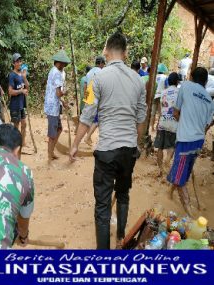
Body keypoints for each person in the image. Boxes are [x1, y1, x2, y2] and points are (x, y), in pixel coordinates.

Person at [69, 32, 146, 249]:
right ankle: (121, 236)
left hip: (107, 151)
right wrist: (137, 144)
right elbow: (141, 118)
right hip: (128, 150)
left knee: (102, 206)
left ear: (106, 51)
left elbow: (87, 115)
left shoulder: (97, 78)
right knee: (123, 194)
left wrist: (75, 144)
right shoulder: (138, 80)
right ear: (125, 52)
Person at [167, 67, 214, 216]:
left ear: (191, 77)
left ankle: (190, 214)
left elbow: (175, 112)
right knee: (183, 172)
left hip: (186, 141)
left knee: (180, 179)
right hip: (198, 142)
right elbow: (208, 124)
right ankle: (169, 192)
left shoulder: (186, 86)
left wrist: (184, 123)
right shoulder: (209, 99)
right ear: (206, 81)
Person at [44, 50, 71, 162]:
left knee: (59, 129)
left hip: (54, 105)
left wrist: (63, 102)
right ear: (59, 63)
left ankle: (51, 152)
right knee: (52, 134)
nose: (64, 66)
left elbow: (56, 93)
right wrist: (65, 92)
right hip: (52, 108)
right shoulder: (57, 73)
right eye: (64, 64)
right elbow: (58, 93)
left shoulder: (53, 70)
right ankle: (49, 156)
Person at [154, 72, 179, 176]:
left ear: (168, 81)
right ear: (177, 82)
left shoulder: (163, 92)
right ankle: (167, 163)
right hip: (173, 124)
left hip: (162, 122)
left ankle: (160, 170)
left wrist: (158, 121)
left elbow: (161, 109)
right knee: (171, 147)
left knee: (160, 147)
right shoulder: (179, 92)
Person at [83, 56, 106, 145]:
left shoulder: (89, 72)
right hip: (96, 98)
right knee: (97, 119)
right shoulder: (101, 72)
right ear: (101, 63)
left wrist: (85, 99)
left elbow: (87, 86)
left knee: (88, 119)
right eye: (103, 64)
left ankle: (88, 138)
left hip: (88, 98)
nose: (103, 66)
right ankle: (88, 137)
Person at [8, 53, 29, 146]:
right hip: (15, 105)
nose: (19, 63)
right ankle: (14, 144)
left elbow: (27, 88)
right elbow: (10, 92)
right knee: (16, 127)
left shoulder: (22, 74)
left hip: (21, 105)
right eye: (17, 61)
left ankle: (23, 142)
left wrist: (24, 77)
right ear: (13, 63)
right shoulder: (12, 75)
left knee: (24, 124)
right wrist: (21, 91)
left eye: (20, 61)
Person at [150, 63, 168, 131]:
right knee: (160, 113)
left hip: (155, 95)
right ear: (164, 71)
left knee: (153, 113)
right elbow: (166, 87)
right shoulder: (165, 77)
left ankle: (151, 127)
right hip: (161, 96)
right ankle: (158, 126)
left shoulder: (154, 76)